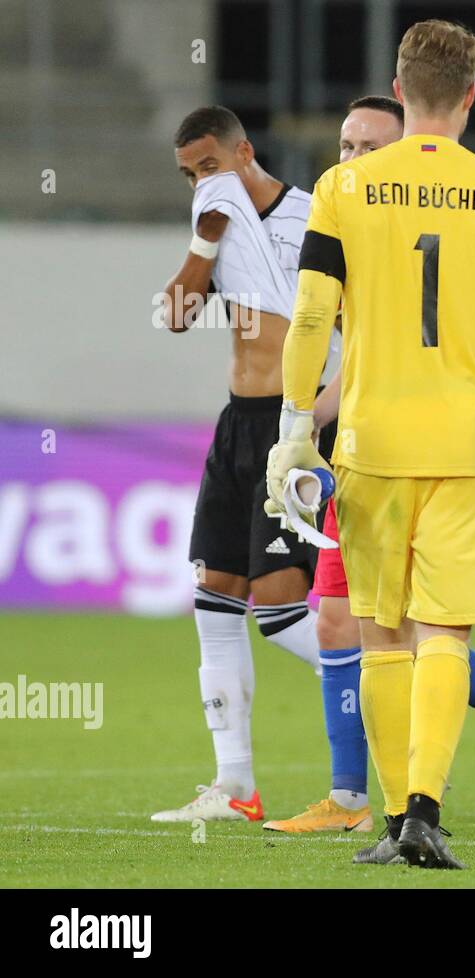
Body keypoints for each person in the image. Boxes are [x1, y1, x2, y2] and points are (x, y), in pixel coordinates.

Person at [266, 19, 475, 868]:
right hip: (467, 443)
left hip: (369, 441)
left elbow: (314, 314)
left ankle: (396, 820)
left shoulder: (343, 187)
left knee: (382, 634)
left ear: (399, 91)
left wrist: (295, 431)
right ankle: (427, 810)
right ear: (471, 93)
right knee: (446, 633)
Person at [153, 106, 330, 824]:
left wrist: (317, 419)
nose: (201, 181)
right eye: (189, 174)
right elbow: (172, 314)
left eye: (209, 167)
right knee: (215, 599)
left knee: (284, 615)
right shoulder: (214, 227)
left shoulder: (313, 218)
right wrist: (204, 238)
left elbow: (358, 329)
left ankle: (408, 680)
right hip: (236, 426)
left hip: (293, 427)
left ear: (244, 151)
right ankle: (236, 789)